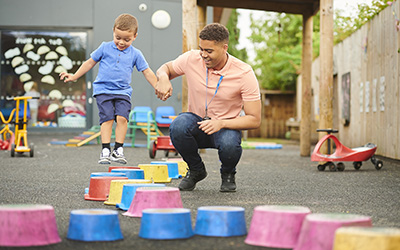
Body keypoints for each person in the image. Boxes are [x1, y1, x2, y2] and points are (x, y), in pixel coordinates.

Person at [155, 23, 261, 192]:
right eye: (201, 49)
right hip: (197, 124)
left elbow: (254, 119)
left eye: (209, 51)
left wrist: (221, 123)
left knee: (229, 144)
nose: (203, 55)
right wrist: (163, 78)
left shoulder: (244, 73)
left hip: (226, 128)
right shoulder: (192, 58)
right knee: (178, 125)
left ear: (224, 48)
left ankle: (228, 173)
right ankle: (196, 170)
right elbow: (166, 68)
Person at [60, 13, 157, 164]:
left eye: (127, 39)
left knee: (122, 118)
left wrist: (158, 86)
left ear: (135, 36)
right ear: (113, 31)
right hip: (103, 90)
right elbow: (89, 63)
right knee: (108, 119)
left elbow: (147, 71)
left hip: (123, 92)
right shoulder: (105, 47)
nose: (121, 42)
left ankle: (118, 150)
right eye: (118, 37)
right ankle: (105, 149)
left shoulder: (135, 54)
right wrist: (74, 76)